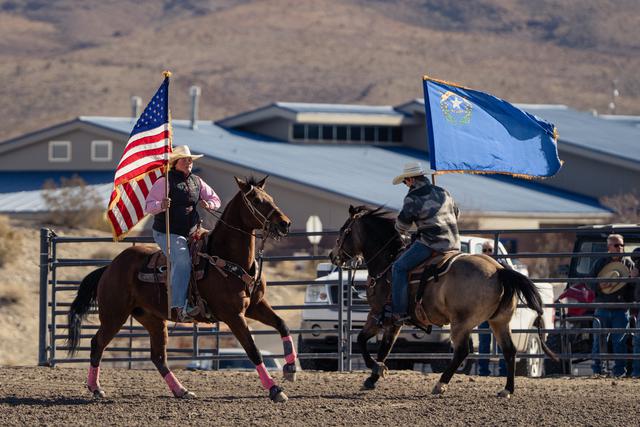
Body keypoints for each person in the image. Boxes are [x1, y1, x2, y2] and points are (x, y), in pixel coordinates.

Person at [145, 145, 221, 321]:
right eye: (185, 159)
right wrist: (161, 205)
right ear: (175, 162)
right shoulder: (164, 181)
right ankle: (179, 307)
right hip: (168, 233)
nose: (189, 162)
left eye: (190, 160)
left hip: (194, 231)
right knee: (182, 261)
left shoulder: (197, 181)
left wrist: (209, 204)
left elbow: (215, 199)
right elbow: (148, 206)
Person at [390, 162, 460, 325]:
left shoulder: (412, 197)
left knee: (398, 268)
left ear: (410, 179)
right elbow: (456, 214)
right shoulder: (443, 191)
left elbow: (402, 226)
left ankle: (399, 313)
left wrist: (400, 226)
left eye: (405, 181)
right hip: (454, 242)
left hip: (431, 243)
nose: (405, 185)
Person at [590, 234, 638, 377]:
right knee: (599, 341)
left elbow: (633, 290)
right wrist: (600, 286)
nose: (620, 248)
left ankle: (619, 372)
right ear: (609, 247)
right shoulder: (600, 263)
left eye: (622, 245)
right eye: (616, 245)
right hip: (603, 306)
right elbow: (589, 281)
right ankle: (597, 371)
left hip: (621, 309)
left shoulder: (629, 264)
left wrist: (632, 281)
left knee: (620, 342)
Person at [477, 241, 508, 376]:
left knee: (501, 339)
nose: (487, 253)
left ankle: (504, 371)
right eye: (485, 250)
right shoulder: (478, 266)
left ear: (494, 252)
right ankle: (483, 371)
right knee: (484, 342)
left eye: (490, 250)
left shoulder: (502, 265)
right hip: (483, 309)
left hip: (498, 308)